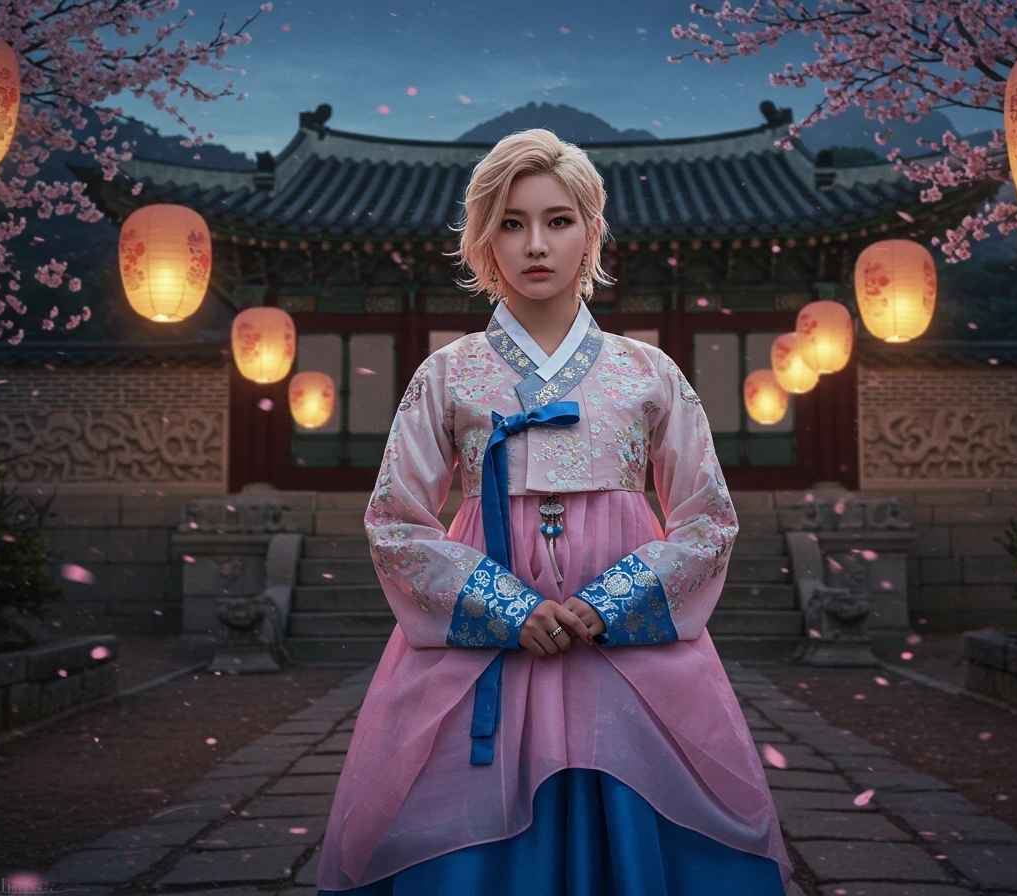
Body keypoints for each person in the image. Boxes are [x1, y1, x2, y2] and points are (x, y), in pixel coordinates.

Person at [316, 128, 791, 895]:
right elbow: (396, 521)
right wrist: (506, 606)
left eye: (559, 220)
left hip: (625, 644)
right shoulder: (448, 376)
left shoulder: (649, 374)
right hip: (487, 648)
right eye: (511, 222)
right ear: (485, 242)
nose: (536, 243)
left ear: (592, 232)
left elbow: (708, 520)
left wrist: (609, 603)